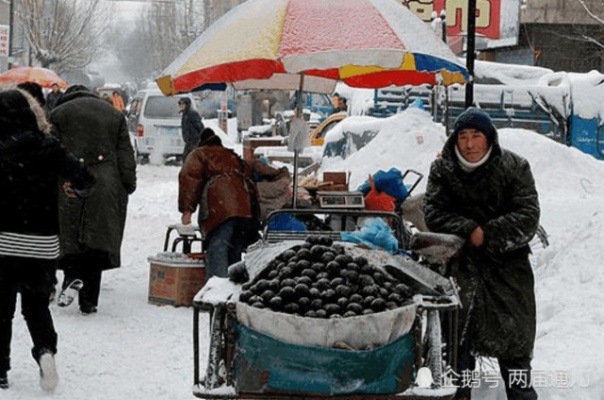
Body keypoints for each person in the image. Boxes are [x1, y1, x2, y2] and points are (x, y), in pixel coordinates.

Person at [422, 107, 540, 400]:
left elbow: (528, 215)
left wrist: (487, 234)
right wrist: (468, 228)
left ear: (490, 138)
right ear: (455, 140)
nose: (470, 144)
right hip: (459, 271)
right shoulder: (443, 169)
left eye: (477, 135)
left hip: (508, 273)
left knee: (515, 355)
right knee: (458, 354)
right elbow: (433, 211)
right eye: (463, 136)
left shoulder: (515, 167)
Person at [0, 88, 95, 391]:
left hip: (3, 242)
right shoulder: (49, 147)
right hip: (42, 244)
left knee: (1, 308)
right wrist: (72, 188)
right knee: (36, 307)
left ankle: (0, 370)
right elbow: (85, 180)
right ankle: (45, 353)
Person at [50, 85, 137, 315]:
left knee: (69, 235)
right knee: (96, 239)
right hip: (104, 182)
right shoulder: (114, 114)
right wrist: (128, 183)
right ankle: (89, 301)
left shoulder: (59, 114)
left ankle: (71, 276)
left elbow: (50, 151)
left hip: (68, 180)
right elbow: (125, 155)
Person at [178, 128, 260, 282]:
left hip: (221, 210)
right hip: (245, 210)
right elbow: (248, 175)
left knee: (218, 249)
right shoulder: (231, 155)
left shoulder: (199, 154)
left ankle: (217, 295)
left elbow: (189, 178)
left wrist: (187, 210)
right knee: (234, 251)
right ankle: (233, 292)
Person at [178, 97, 204, 161]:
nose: (181, 105)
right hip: (189, 140)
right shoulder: (185, 113)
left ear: (187, 105)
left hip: (194, 139)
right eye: (180, 104)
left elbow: (199, 126)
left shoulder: (192, 113)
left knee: (187, 157)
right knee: (188, 157)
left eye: (183, 104)